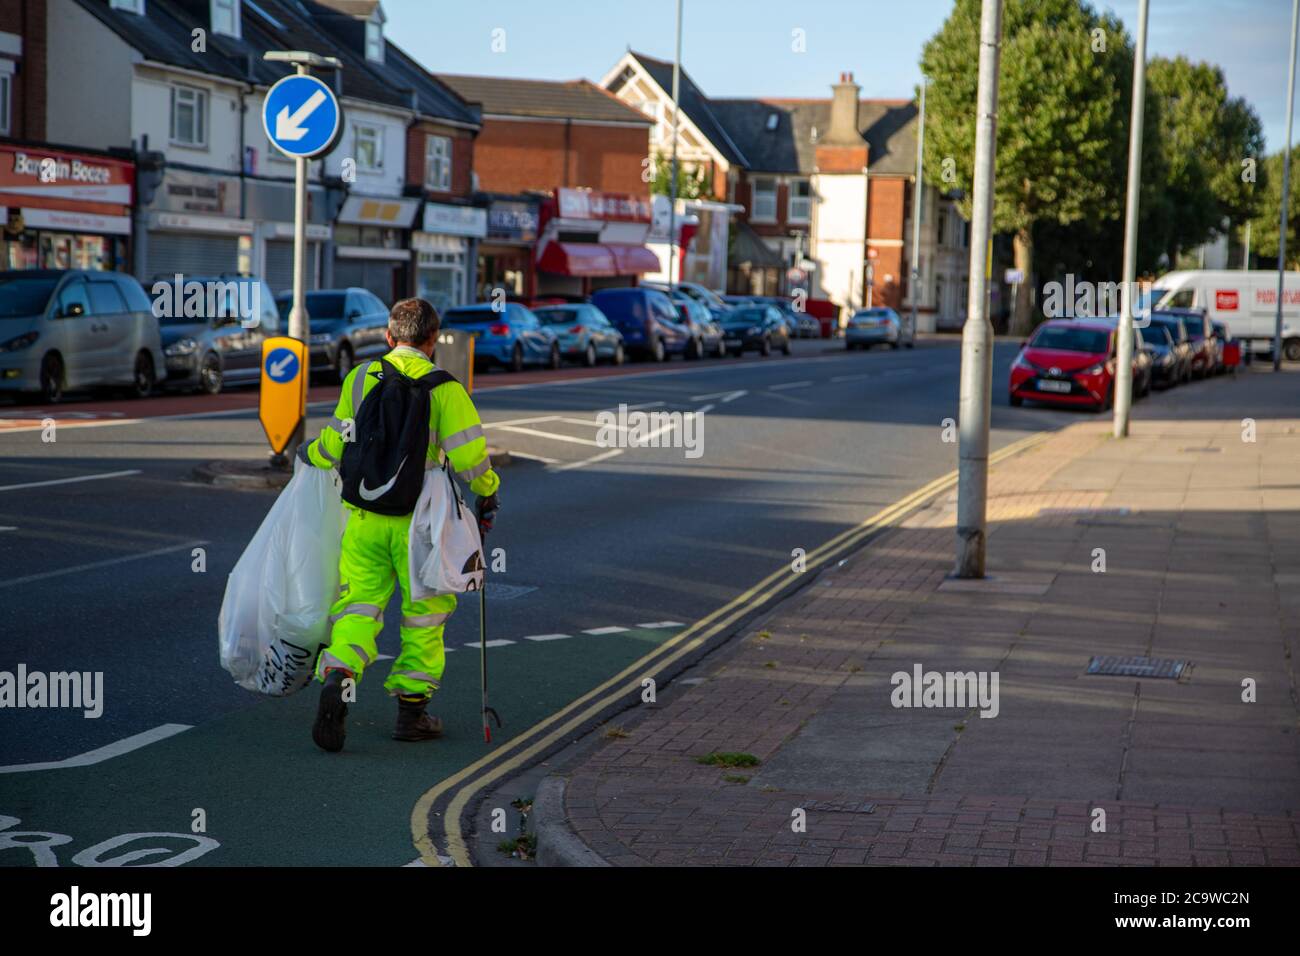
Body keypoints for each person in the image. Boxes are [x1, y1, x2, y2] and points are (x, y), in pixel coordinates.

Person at [299, 297, 499, 753]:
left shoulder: (360, 377)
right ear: (433, 342)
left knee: (358, 608)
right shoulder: (445, 388)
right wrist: (489, 489)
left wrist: (307, 456)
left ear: (389, 337)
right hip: (421, 525)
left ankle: (339, 677)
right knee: (424, 617)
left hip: (365, 519)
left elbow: (335, 442)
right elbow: (471, 459)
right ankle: (412, 714)